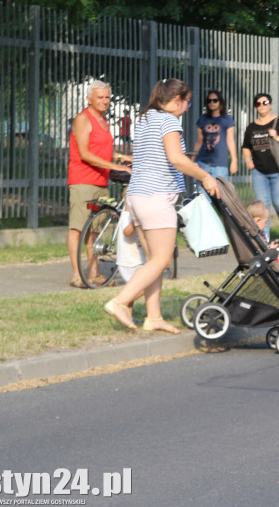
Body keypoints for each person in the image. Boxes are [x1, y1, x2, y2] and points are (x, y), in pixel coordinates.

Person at [104, 78, 219, 334]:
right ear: (177, 99)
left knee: (156, 260)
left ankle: (153, 316)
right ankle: (120, 302)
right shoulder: (168, 121)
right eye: (188, 102)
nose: (188, 107)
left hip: (137, 195)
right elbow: (177, 159)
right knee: (162, 259)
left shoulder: (146, 118)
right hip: (156, 196)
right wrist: (205, 176)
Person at [67, 80, 131, 288]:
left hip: (100, 180)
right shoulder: (83, 119)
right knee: (78, 227)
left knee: (95, 230)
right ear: (89, 99)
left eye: (107, 97)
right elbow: (85, 153)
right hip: (83, 180)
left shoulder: (102, 120)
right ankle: (78, 275)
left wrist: (121, 157)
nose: (104, 101)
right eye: (100, 97)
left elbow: (99, 149)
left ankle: (94, 273)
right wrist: (116, 166)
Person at [242, 93, 279, 240]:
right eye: (258, 103)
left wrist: (277, 137)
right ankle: (264, 236)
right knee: (262, 206)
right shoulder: (252, 127)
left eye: (265, 102)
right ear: (256, 107)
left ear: (270, 104)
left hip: (278, 170)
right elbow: (246, 146)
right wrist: (248, 159)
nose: (262, 106)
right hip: (259, 172)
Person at [192, 89, 238, 190]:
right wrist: (192, 160)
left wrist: (234, 160)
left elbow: (230, 141)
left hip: (220, 163)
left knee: (221, 195)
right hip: (203, 162)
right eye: (209, 101)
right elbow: (199, 141)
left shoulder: (227, 119)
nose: (212, 103)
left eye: (215, 100)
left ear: (220, 101)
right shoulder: (202, 119)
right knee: (203, 195)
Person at [116, 205, 146, 284]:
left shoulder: (129, 215)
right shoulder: (127, 215)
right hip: (131, 263)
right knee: (143, 287)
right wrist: (135, 220)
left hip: (136, 261)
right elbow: (127, 232)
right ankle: (122, 297)